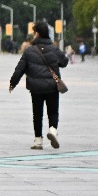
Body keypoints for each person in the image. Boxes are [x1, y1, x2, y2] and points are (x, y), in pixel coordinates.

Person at [9, 22, 69, 150]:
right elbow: (64, 62)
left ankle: (38, 141)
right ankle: (53, 130)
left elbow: (20, 68)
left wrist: (13, 83)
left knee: (37, 114)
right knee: (53, 111)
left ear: (37, 33)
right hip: (52, 86)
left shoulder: (30, 51)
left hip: (35, 87)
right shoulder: (54, 49)